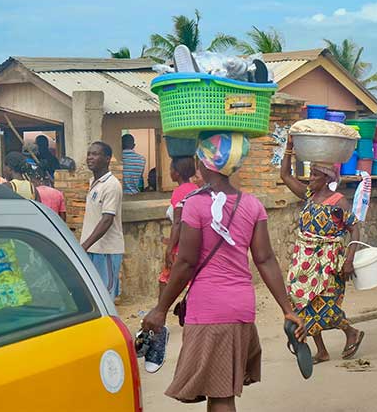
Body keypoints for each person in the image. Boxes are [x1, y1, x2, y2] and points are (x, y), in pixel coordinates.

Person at [141, 133, 304, 411]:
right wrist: (287, 308)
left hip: (209, 310)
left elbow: (187, 262)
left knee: (221, 397)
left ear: (201, 163)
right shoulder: (252, 204)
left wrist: (160, 309)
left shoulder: (195, 203)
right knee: (221, 392)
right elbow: (265, 259)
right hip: (240, 307)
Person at [280, 138, 365, 364]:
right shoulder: (308, 195)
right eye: (311, 173)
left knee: (325, 304)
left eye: (315, 175)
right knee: (302, 301)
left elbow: (355, 230)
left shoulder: (339, 202)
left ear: (327, 178)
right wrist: (289, 147)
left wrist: (349, 259)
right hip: (304, 259)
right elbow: (285, 176)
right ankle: (322, 350)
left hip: (328, 260)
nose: (310, 178)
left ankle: (351, 332)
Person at [80, 141, 124, 301]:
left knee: (106, 295)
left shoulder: (111, 185)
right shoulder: (94, 182)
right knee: (95, 295)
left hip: (106, 250)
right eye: (89, 154)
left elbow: (107, 220)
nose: (90, 157)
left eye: (95, 154)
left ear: (107, 159)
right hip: (93, 248)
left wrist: (84, 245)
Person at [158, 156, 199, 296]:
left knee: (165, 279)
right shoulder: (196, 188)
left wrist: (169, 249)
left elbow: (177, 222)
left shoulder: (179, 192)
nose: (169, 172)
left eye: (171, 169)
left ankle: (160, 309)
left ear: (177, 173)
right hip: (195, 242)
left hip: (180, 245)